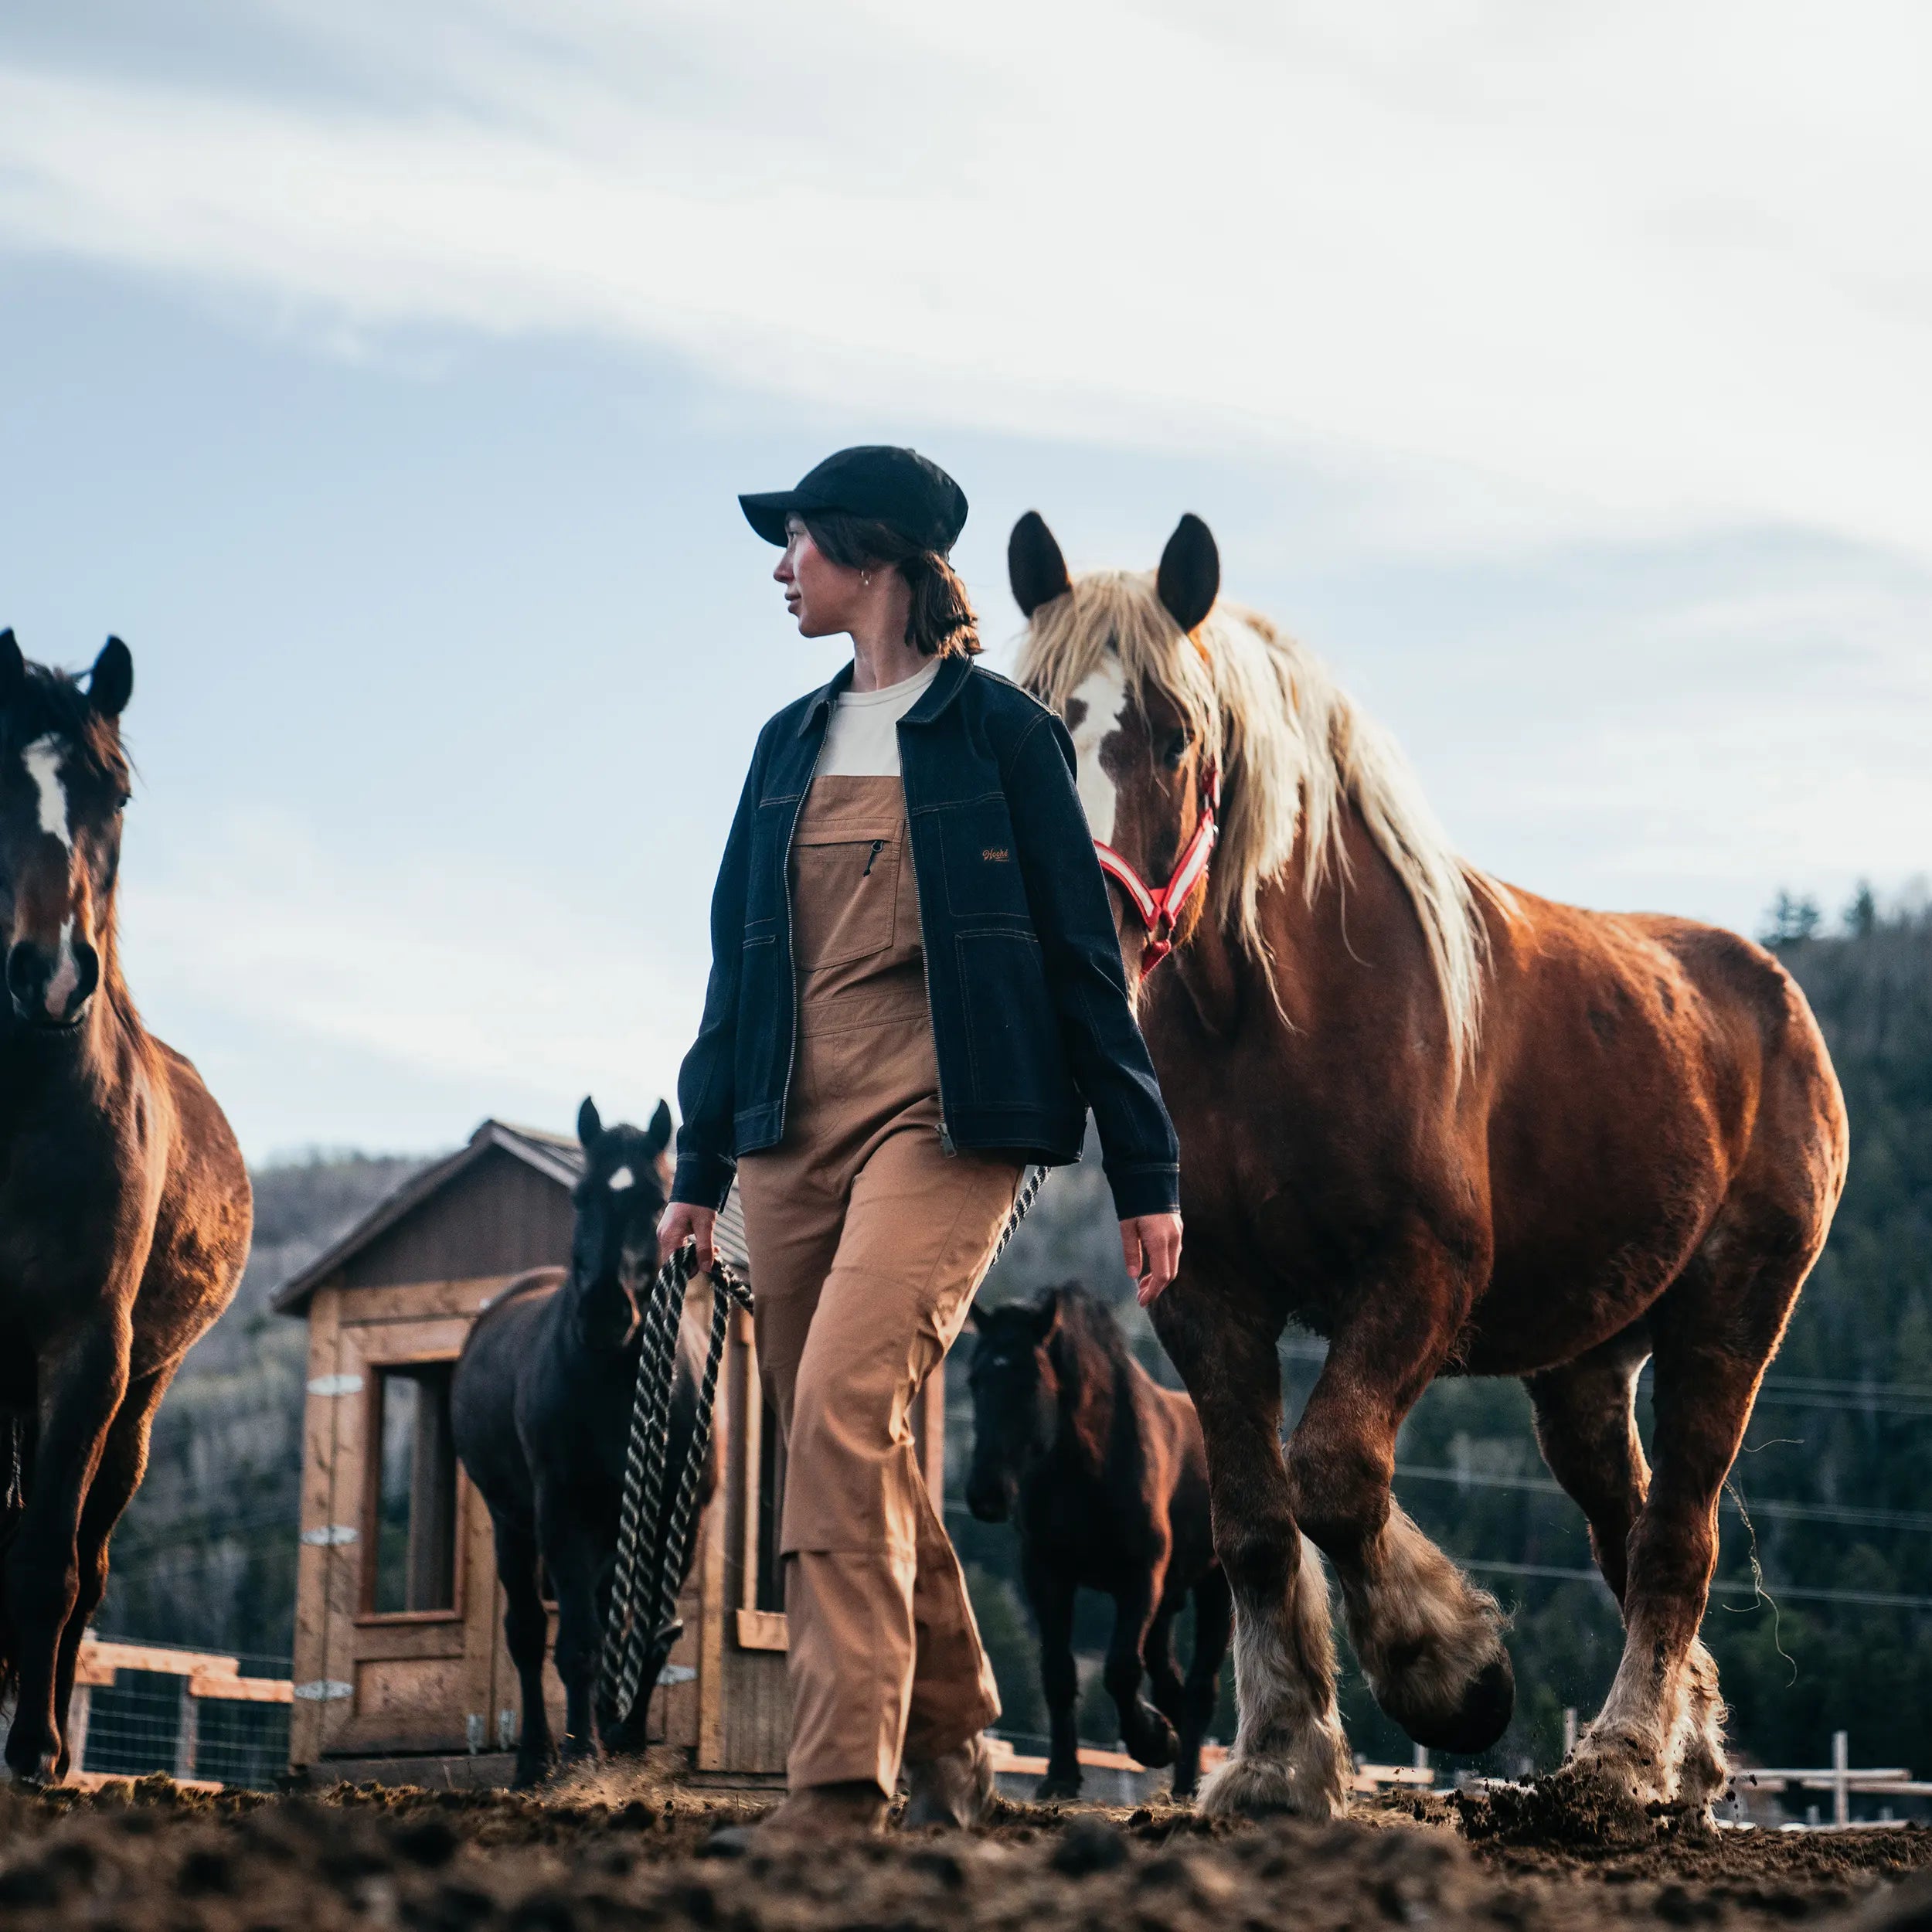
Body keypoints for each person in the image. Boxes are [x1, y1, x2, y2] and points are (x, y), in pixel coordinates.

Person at [658, 445, 1182, 1839]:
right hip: (785, 1125)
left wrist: (1146, 1170)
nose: (783, 571)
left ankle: (835, 1787)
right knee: (856, 1436)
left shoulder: (1007, 738)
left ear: (872, 557)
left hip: (947, 1124)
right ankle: (950, 1732)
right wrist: (699, 1170)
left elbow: (1083, 961)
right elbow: (736, 971)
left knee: (837, 1406)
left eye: (802, 548)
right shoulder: (784, 746)